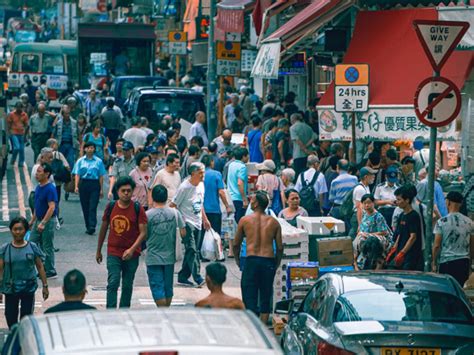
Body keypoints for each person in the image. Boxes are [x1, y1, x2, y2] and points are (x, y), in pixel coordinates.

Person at [96, 176, 147, 308]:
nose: (126, 193)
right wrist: (98, 250)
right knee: (113, 282)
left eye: (129, 191)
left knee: (127, 284)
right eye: (123, 190)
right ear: (117, 191)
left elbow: (143, 233)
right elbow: (103, 228)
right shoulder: (111, 206)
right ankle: (111, 312)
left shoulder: (138, 208)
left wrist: (132, 249)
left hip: (132, 253)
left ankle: (124, 312)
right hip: (113, 251)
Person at [233, 191, 283, 324]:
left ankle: (253, 327)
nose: (250, 201)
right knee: (265, 296)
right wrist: (276, 263)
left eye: (252, 200)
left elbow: (236, 244)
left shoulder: (245, 220)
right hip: (268, 261)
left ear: (255, 204)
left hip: (252, 260)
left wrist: (238, 260)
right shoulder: (274, 222)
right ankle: (264, 329)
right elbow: (279, 247)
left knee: (249, 295)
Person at [0, 217, 48, 329]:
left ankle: (23, 341)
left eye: (20, 229)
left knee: (26, 319)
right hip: (10, 289)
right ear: (11, 230)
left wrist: (45, 286)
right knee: (11, 318)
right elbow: (0, 270)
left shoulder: (32, 247)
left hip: (28, 288)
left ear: (26, 230)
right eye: (15, 229)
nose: (18, 232)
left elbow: (40, 267)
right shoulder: (5, 249)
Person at [171, 162, 210, 287]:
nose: (203, 175)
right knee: (192, 249)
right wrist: (181, 225)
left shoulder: (201, 185)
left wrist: (205, 219)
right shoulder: (184, 187)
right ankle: (198, 277)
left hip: (198, 221)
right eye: (200, 173)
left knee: (192, 250)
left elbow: (200, 203)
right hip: (187, 222)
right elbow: (173, 205)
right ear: (193, 174)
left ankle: (183, 276)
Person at [146, 185, 186, 307]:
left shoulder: (147, 215)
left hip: (153, 257)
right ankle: (166, 310)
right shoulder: (175, 213)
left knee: (157, 287)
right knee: (168, 287)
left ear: (153, 198)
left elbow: (144, 234)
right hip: (170, 256)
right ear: (166, 197)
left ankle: (162, 311)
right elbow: (183, 233)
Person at [432, 191, 473, 287]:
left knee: (447, 289)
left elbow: (437, 245)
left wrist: (433, 261)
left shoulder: (442, 222)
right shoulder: (470, 222)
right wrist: (470, 263)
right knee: (459, 289)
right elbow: (472, 246)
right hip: (463, 262)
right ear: (461, 204)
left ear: (448, 202)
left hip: (447, 262)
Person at [29, 163, 58, 279]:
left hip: (48, 221)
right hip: (38, 220)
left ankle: (50, 270)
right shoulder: (38, 187)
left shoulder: (50, 188)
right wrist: (32, 221)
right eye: (37, 172)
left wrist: (43, 222)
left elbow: (51, 207)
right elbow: (37, 206)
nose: (37, 174)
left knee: (47, 246)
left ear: (47, 174)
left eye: (39, 171)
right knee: (31, 243)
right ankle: (42, 265)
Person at [73, 141, 107, 235]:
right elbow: (77, 174)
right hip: (84, 183)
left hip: (94, 184)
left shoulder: (98, 161)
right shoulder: (80, 161)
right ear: (84, 149)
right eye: (88, 148)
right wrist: (76, 186)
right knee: (85, 206)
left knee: (93, 205)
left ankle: (92, 225)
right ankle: (87, 225)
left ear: (94, 149)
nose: (90, 149)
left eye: (92, 148)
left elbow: (101, 176)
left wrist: (101, 189)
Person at [386, 185, 423, 271]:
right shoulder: (401, 215)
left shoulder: (414, 216)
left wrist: (403, 252)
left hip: (411, 255)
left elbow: (413, 237)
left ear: (407, 200)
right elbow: (399, 234)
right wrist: (394, 249)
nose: (397, 202)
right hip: (401, 254)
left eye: (399, 199)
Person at [353, 194, 392, 271]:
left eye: (369, 202)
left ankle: (379, 264)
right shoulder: (364, 214)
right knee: (358, 240)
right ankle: (355, 263)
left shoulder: (378, 216)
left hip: (377, 239)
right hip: (365, 237)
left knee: (370, 242)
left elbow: (384, 232)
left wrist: (368, 235)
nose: (367, 205)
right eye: (364, 203)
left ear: (373, 203)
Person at [202, 154, 232, 240]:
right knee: (215, 236)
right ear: (211, 162)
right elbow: (221, 192)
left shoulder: (199, 175)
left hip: (201, 211)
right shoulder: (216, 174)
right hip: (214, 209)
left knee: (203, 237)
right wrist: (227, 206)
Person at [349, 167, 376, 239]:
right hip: (358, 217)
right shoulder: (360, 189)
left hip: (364, 216)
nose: (374, 176)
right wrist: (360, 224)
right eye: (372, 175)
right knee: (355, 238)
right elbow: (359, 208)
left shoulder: (366, 187)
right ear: (366, 177)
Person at [227, 147, 249, 225]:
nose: (248, 157)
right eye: (247, 156)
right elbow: (240, 183)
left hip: (230, 197)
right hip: (238, 199)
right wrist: (244, 200)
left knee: (232, 224)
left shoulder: (231, 165)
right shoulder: (242, 167)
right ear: (243, 156)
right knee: (239, 223)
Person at [53, 105, 79, 169]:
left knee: (71, 161)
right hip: (61, 144)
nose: (68, 115)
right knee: (60, 160)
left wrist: (79, 145)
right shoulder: (58, 123)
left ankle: (70, 176)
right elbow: (54, 133)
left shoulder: (74, 122)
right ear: (63, 114)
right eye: (66, 114)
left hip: (71, 144)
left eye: (69, 113)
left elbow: (78, 134)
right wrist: (54, 144)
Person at [290, 112, 315, 178]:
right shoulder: (308, 127)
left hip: (298, 155)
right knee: (309, 175)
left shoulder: (293, 128)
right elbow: (314, 137)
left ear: (292, 120)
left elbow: (297, 140)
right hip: (309, 154)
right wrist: (307, 146)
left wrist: (304, 149)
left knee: (299, 175)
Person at [6, 102, 29, 167]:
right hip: (14, 133)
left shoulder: (24, 115)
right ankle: (13, 160)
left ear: (22, 108)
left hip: (21, 133)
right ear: (15, 108)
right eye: (17, 108)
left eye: (20, 108)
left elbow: (27, 125)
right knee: (16, 148)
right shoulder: (11, 114)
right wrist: (8, 133)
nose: (19, 110)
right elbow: (9, 124)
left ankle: (21, 162)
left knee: (21, 149)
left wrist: (26, 135)